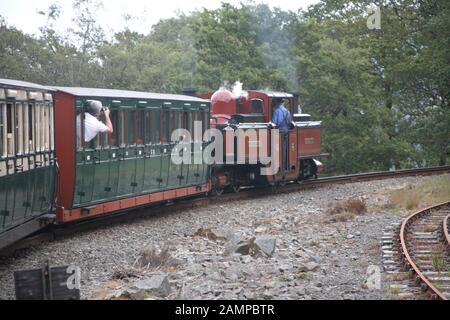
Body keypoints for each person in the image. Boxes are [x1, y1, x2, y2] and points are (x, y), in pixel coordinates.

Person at [271, 97, 292, 171]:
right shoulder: (287, 111)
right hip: (286, 132)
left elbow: (274, 123)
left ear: (276, 102)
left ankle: (279, 166)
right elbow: (289, 123)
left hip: (279, 132)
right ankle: (284, 165)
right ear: (282, 102)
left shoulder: (276, 111)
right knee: (284, 149)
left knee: (277, 149)